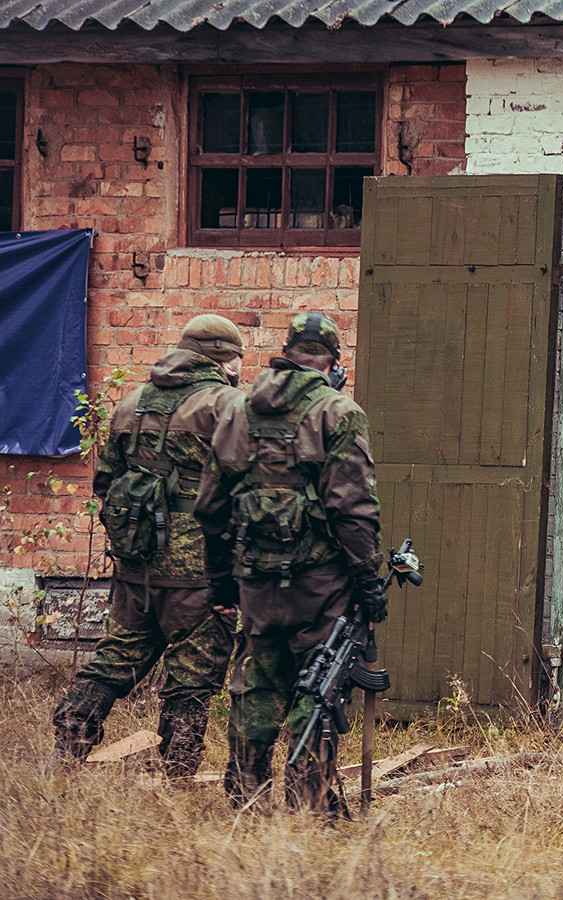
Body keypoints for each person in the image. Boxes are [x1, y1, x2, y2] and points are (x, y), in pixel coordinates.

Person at [195, 312, 383, 809]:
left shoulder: (239, 410)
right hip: (320, 585)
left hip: (255, 581)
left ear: (285, 354)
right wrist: (368, 581)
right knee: (319, 684)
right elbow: (353, 510)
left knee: (256, 685)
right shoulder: (338, 412)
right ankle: (309, 802)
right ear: (334, 362)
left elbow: (210, 506)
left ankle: (245, 798)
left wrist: (221, 583)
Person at [52, 314, 244, 777]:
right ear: (222, 356)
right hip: (200, 572)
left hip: (136, 565)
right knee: (192, 678)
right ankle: (178, 777)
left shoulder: (131, 404)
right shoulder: (228, 405)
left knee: (114, 661)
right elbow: (247, 487)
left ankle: (67, 749)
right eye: (238, 357)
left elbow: (105, 483)